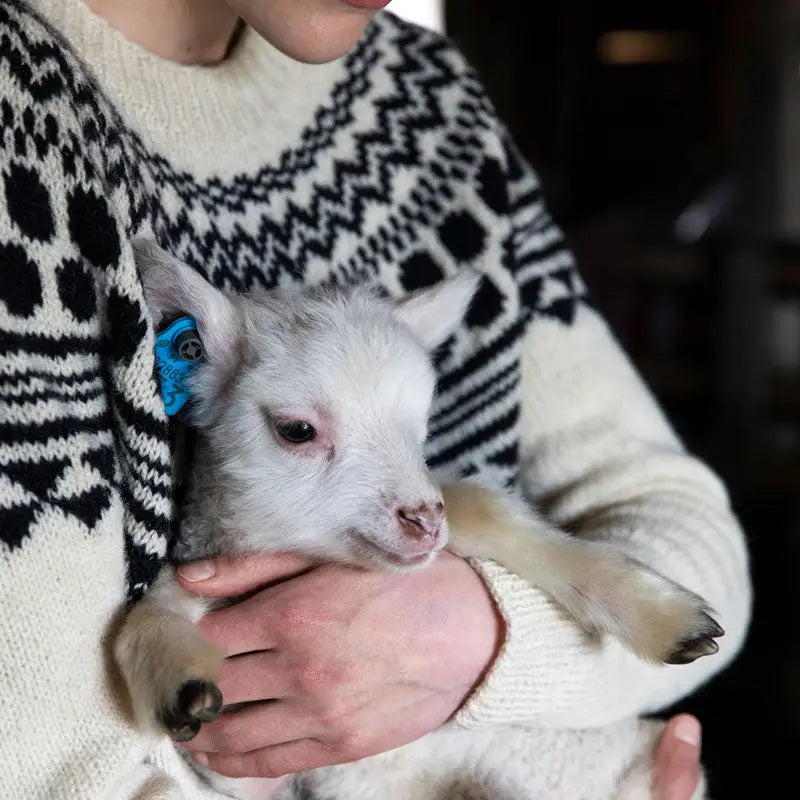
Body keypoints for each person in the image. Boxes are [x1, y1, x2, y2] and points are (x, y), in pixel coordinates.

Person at [0, 1, 750, 798]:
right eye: (298, 431)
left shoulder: (428, 106)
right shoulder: (23, 121)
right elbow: (45, 749)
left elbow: (687, 532)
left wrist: (485, 638)